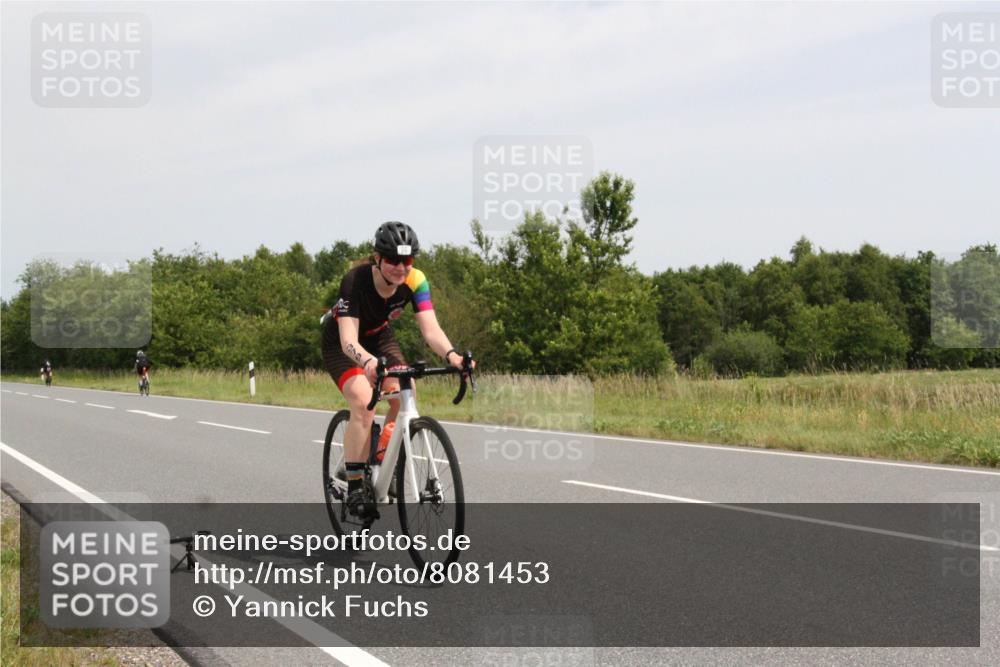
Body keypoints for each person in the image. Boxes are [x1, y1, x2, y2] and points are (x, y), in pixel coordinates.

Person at [321, 221, 473, 515]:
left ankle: (381, 461)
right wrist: (366, 362)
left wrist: (453, 356)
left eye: (407, 260)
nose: (400, 268)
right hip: (343, 341)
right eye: (392, 260)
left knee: (406, 392)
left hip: (378, 336)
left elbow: (431, 331)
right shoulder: (355, 280)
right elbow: (349, 340)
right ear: (377, 258)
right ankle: (354, 484)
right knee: (364, 402)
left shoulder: (416, 281)